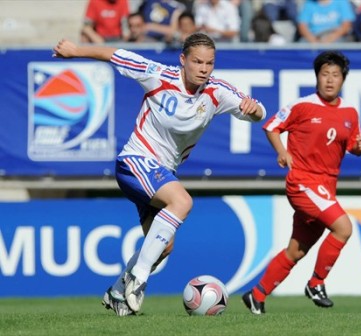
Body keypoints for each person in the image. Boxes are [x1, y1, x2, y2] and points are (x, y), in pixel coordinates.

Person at [52, 32, 266, 316]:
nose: (203, 68)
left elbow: (258, 111)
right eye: (197, 61)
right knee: (182, 202)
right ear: (183, 60)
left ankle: (117, 292)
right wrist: (76, 49)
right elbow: (116, 54)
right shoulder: (158, 75)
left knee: (163, 248)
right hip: (135, 161)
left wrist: (254, 111)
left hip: (161, 173)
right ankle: (138, 280)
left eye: (209, 63)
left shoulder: (217, 91)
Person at [242, 50, 361, 314]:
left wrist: (359, 147)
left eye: (335, 75)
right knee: (343, 228)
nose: (330, 80)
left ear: (343, 79)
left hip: (326, 186)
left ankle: (257, 294)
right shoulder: (302, 106)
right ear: (317, 78)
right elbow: (271, 126)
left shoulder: (350, 112)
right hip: (303, 182)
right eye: (325, 74)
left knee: (296, 250)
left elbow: (353, 144)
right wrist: (281, 151)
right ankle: (316, 283)